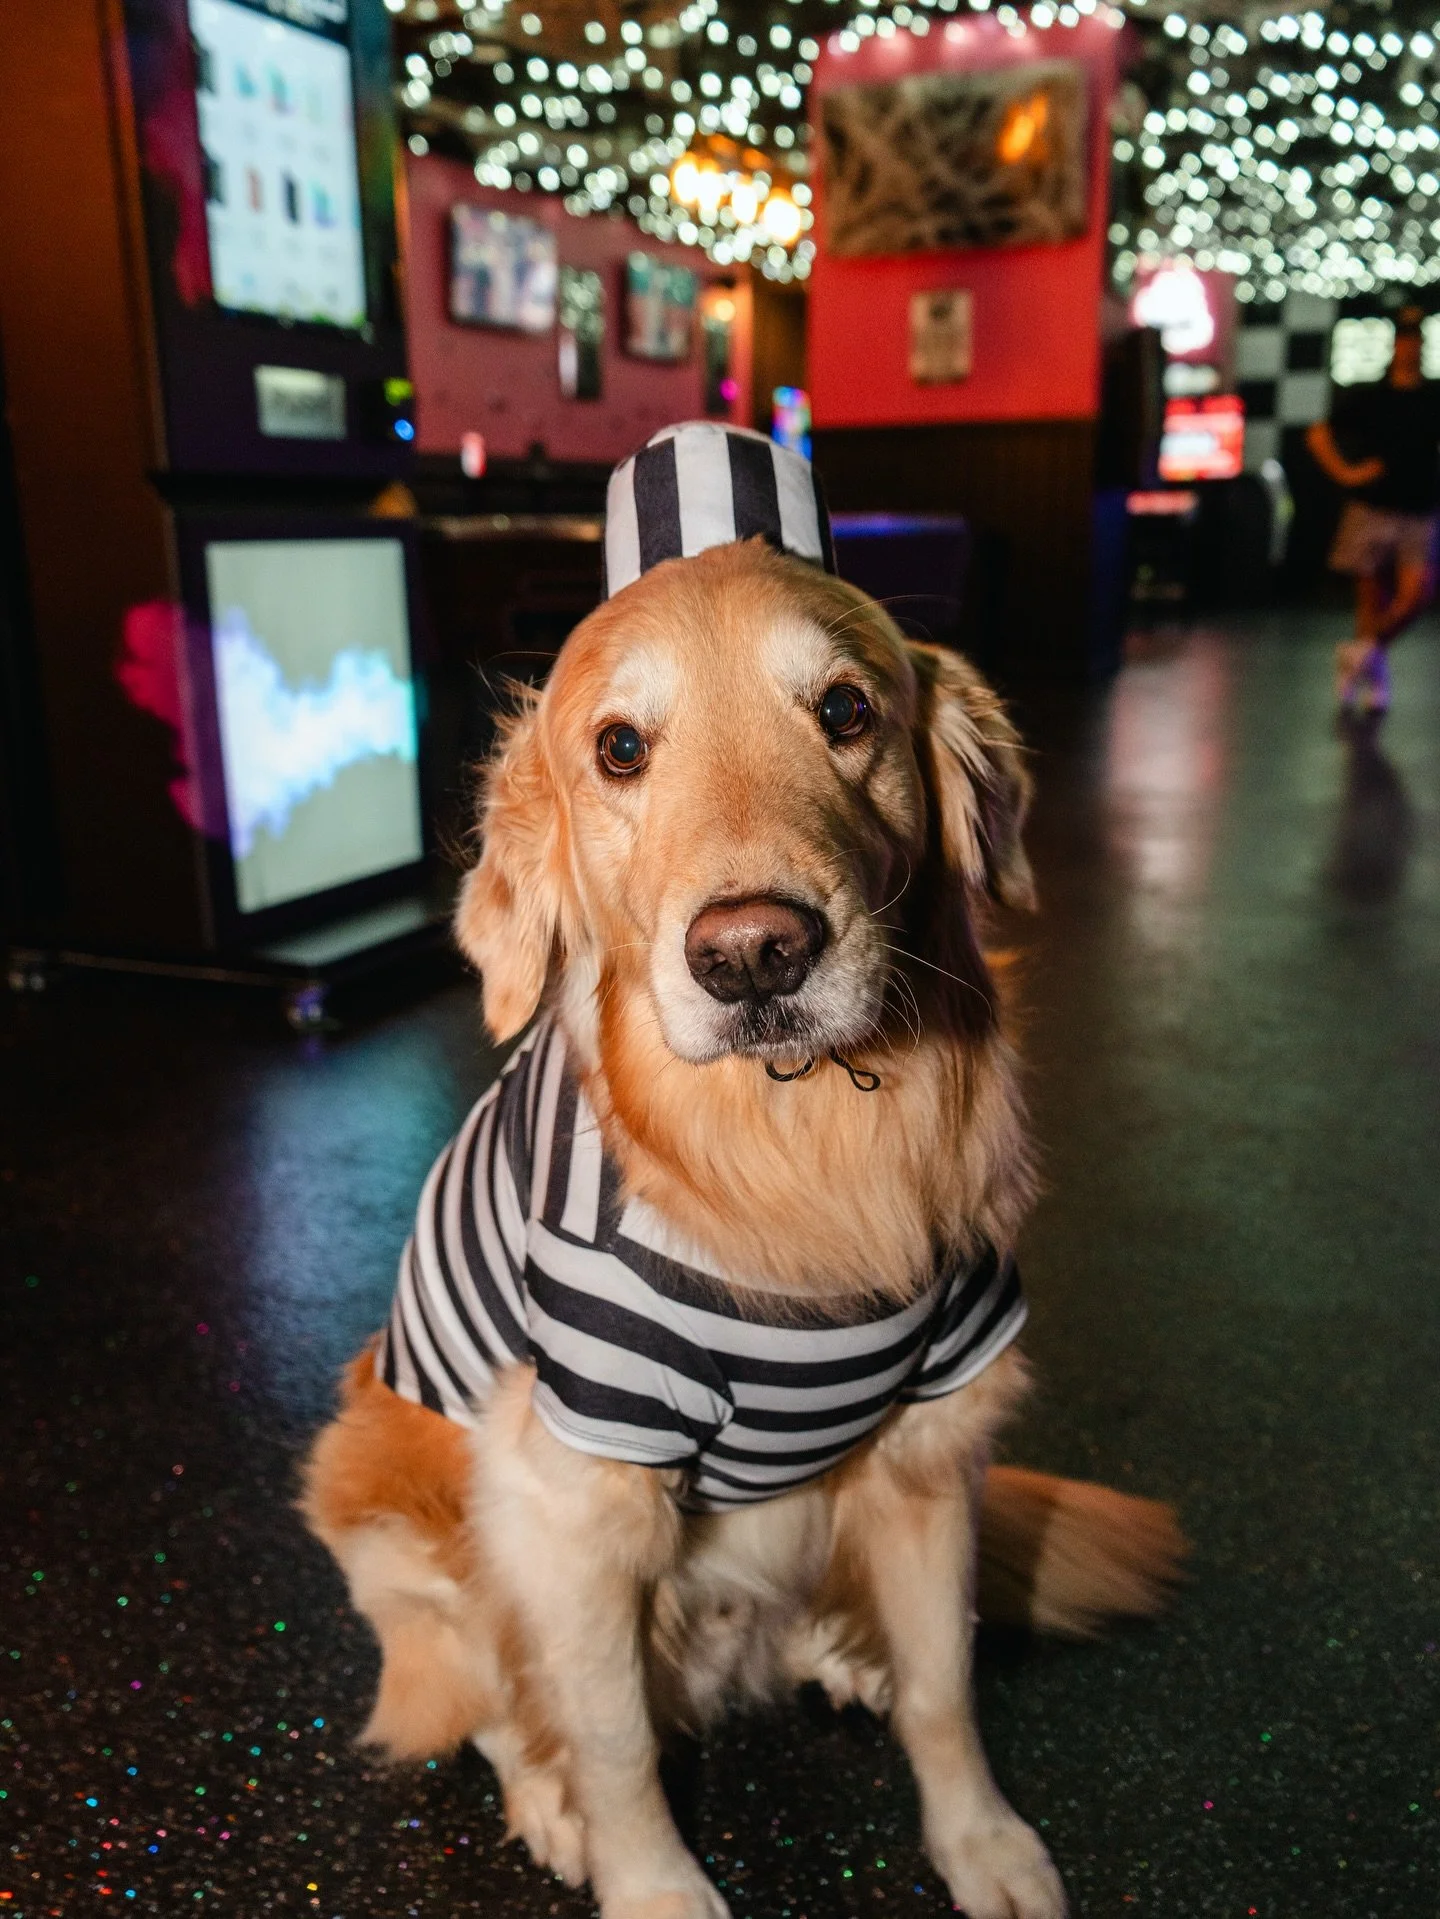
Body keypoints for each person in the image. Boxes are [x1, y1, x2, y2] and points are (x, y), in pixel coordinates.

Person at [1307, 305, 1440, 713]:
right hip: (1372, 509)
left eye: (1416, 339)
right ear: (1395, 344)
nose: (1410, 347)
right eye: (1404, 338)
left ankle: (1359, 656)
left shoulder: (1432, 397)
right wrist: (1345, 473)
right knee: (1370, 604)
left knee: (1416, 596)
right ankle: (1373, 681)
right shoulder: (1373, 397)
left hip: (1419, 509)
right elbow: (1318, 434)